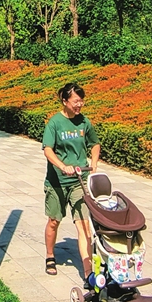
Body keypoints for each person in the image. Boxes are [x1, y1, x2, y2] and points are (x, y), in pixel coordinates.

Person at [42, 82, 100, 283]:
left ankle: (88, 272)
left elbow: (94, 143)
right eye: (76, 101)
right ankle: (50, 255)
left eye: (81, 101)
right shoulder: (55, 123)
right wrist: (61, 165)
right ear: (65, 101)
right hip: (57, 181)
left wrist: (93, 163)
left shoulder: (84, 122)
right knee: (54, 221)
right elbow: (47, 149)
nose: (79, 105)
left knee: (84, 224)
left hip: (79, 181)